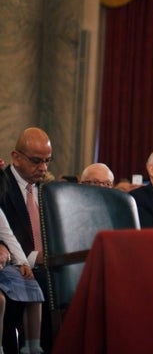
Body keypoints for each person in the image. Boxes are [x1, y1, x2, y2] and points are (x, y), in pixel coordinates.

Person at [0, 128, 52, 353]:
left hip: (51, 265)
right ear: (16, 157)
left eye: (48, 161)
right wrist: (29, 259)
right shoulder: (2, 186)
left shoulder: (49, 192)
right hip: (13, 266)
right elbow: (4, 235)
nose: (43, 168)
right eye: (36, 161)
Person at [0, 209, 44, 354]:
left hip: (4, 262)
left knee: (31, 286)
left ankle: (33, 347)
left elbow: (8, 235)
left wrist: (23, 263)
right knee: (0, 300)